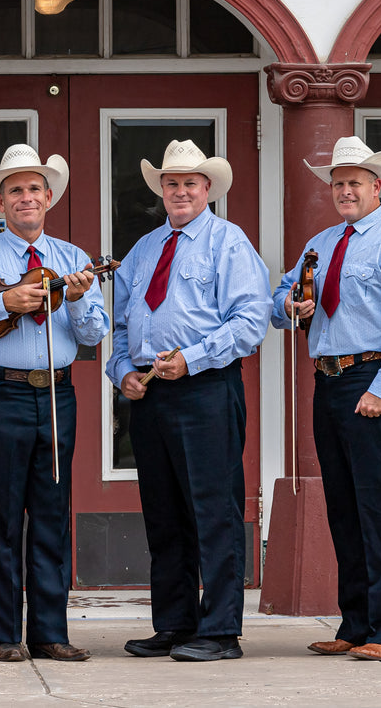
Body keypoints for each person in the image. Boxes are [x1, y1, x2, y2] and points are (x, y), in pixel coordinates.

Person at [0, 144, 107, 663]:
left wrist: (77, 302)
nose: (26, 197)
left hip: (55, 390)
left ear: (49, 197)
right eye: (16, 190)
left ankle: (51, 631)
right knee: (4, 515)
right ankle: (6, 634)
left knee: (53, 513)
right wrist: (1, 302)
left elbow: (96, 334)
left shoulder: (74, 259)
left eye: (34, 188)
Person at [109, 140, 270, 663]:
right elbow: (119, 323)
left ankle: (221, 630)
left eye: (190, 184)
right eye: (172, 183)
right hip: (151, 395)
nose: (180, 191)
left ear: (208, 190)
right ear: (161, 189)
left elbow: (250, 320)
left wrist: (194, 358)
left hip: (206, 389)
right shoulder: (145, 248)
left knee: (214, 509)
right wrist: (122, 372)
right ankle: (175, 623)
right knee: (164, 512)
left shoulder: (229, 243)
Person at [272, 135, 381, 662]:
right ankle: (356, 622)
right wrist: (291, 303)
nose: (344, 191)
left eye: (354, 183)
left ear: (376, 186)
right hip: (328, 378)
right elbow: (282, 300)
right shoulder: (320, 243)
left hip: (373, 378)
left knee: (380, 508)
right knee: (343, 506)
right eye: (338, 183)